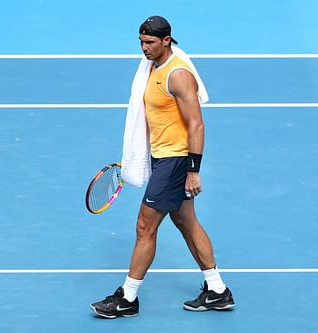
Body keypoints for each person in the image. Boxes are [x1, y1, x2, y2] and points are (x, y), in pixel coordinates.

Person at [90, 15, 235, 318]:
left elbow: (196, 124)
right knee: (186, 223)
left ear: (167, 41)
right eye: (141, 42)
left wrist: (193, 170)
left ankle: (127, 298)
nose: (144, 48)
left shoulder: (177, 75)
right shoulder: (151, 69)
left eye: (150, 42)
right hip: (162, 158)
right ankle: (218, 290)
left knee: (145, 226)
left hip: (176, 160)